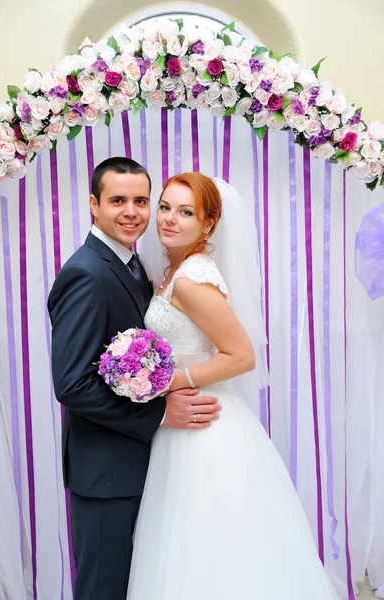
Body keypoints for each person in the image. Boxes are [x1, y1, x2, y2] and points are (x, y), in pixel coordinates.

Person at [127, 172, 340, 599]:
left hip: (206, 426)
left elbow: (241, 356)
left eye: (185, 212)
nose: (168, 219)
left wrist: (172, 382)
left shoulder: (191, 278)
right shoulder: (178, 269)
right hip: (184, 424)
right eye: (165, 207)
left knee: (211, 541)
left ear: (208, 224)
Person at [47, 158, 221, 600]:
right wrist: (161, 412)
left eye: (141, 201)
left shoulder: (130, 264)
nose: (132, 212)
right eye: (117, 200)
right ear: (93, 204)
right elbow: (71, 384)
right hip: (104, 471)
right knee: (104, 587)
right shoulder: (86, 273)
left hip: (137, 464)